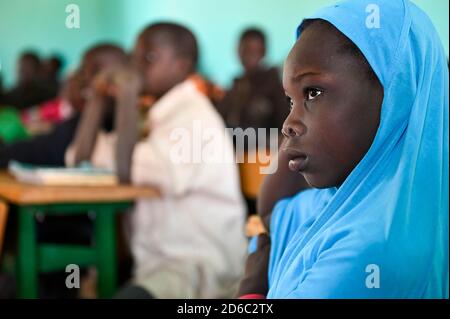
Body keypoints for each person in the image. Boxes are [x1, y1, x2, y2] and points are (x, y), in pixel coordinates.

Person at [238, 0, 448, 299]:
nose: (287, 124)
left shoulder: (373, 250)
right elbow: (273, 210)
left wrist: (250, 292)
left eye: (313, 92)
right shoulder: (348, 198)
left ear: (395, 100)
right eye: (289, 100)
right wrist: (300, 120)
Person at [67, 22, 247, 298]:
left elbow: (125, 170)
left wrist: (127, 94)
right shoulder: (158, 117)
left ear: (182, 65)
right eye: (134, 55)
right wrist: (98, 97)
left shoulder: (193, 119)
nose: (136, 65)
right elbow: (79, 162)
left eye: (148, 57)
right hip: (156, 268)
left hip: (199, 273)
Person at [0, 44, 128, 168]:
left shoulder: (76, 127)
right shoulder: (76, 122)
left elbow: (38, 150)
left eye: (83, 72)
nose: (78, 80)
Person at [217, 28, 288, 147]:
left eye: (255, 51)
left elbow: (285, 129)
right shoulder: (236, 85)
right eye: (245, 50)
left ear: (263, 52)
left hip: (261, 154)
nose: (249, 55)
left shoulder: (274, 86)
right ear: (238, 51)